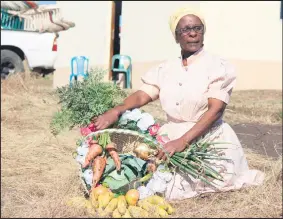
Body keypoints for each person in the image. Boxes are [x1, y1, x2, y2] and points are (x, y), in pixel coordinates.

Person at [92, 7, 264, 200]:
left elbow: (215, 110)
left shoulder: (218, 66)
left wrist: (183, 141)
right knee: (155, 183)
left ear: (203, 32)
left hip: (208, 138)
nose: (192, 33)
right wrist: (117, 110)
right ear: (176, 36)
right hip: (170, 137)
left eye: (197, 28)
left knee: (196, 185)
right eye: (186, 29)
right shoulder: (166, 69)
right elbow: (143, 94)